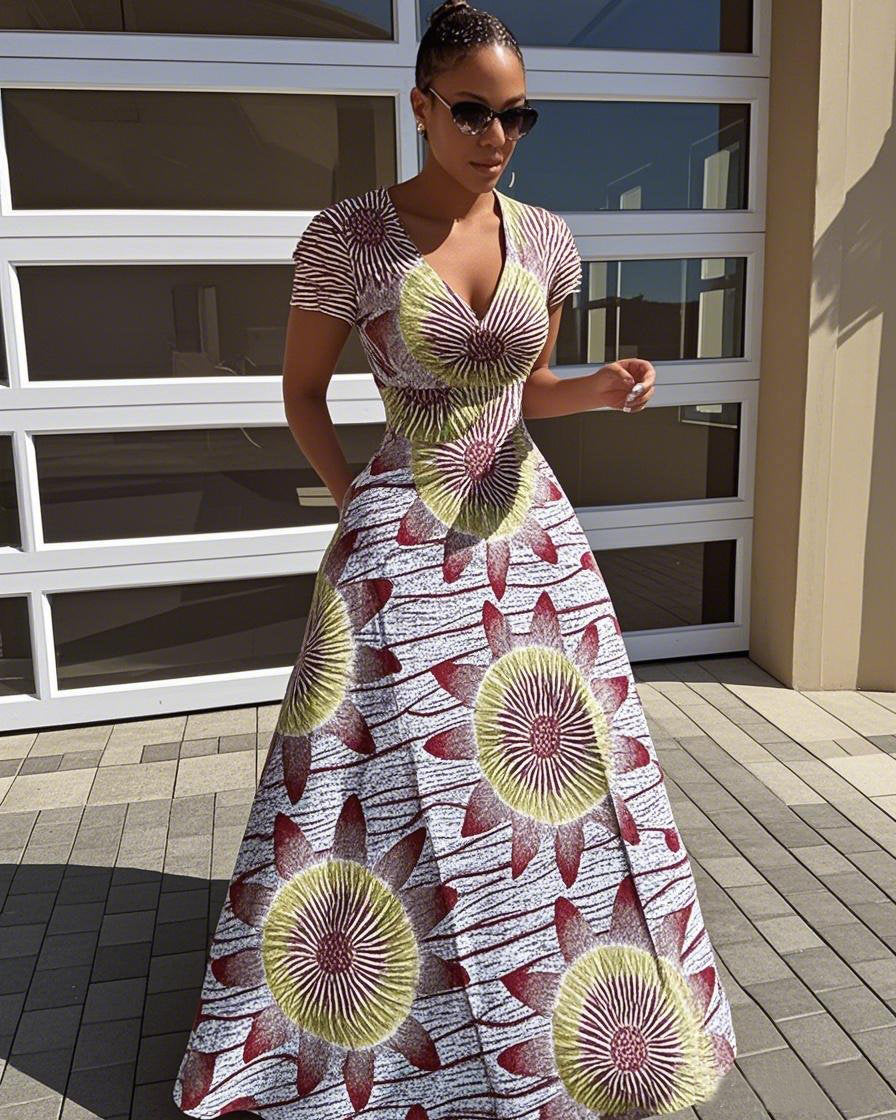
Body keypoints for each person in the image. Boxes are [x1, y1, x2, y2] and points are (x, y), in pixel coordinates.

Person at [172, 2, 737, 1117]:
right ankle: (377, 1032)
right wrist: (359, 503)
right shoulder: (350, 236)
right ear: (420, 105)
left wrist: (598, 388)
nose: (496, 135)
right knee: (375, 779)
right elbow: (301, 392)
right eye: (473, 110)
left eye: (517, 115)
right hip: (402, 537)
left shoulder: (549, 240)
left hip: (530, 535)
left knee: (555, 774)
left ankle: (565, 1016)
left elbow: (530, 392)